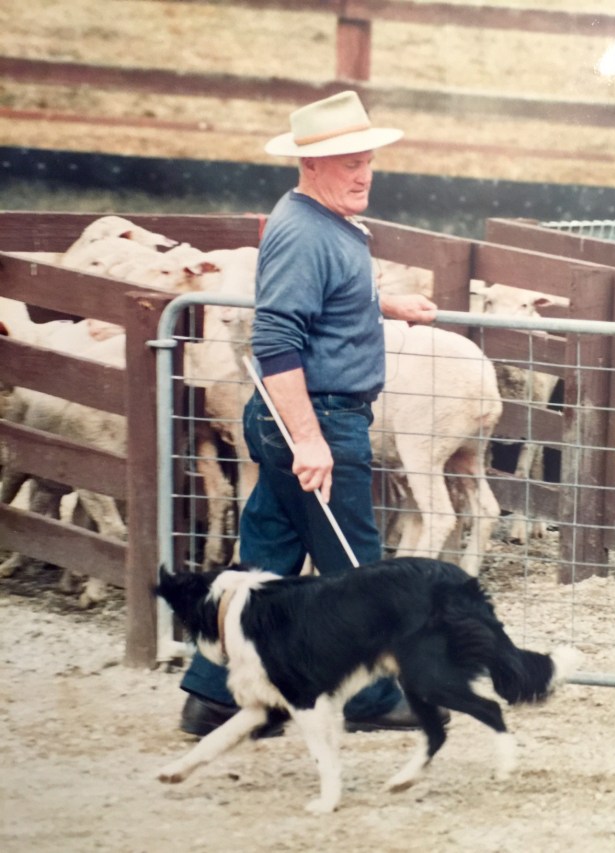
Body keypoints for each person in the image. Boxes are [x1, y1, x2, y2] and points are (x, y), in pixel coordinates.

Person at [180, 90, 438, 738]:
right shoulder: (302, 231)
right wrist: (309, 439)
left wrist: (384, 305)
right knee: (356, 565)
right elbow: (275, 339)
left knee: (265, 561)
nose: (363, 173)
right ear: (311, 164)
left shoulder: (320, 222)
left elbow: (323, 303)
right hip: (317, 417)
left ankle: (217, 696)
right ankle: (371, 698)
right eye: (347, 160)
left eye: (367, 158)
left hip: (302, 416)